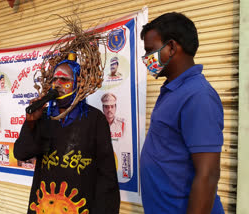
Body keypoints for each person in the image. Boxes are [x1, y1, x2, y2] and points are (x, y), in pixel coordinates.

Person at [140, 12, 224, 214]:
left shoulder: (198, 96)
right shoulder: (173, 90)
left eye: (150, 51)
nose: (145, 59)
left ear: (171, 47)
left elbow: (208, 173)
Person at [14, 57, 120, 213]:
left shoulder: (95, 120)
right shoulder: (43, 117)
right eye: (55, 79)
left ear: (78, 84)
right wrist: (31, 123)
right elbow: (21, 153)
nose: (57, 84)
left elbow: (107, 176)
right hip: (44, 206)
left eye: (64, 79)